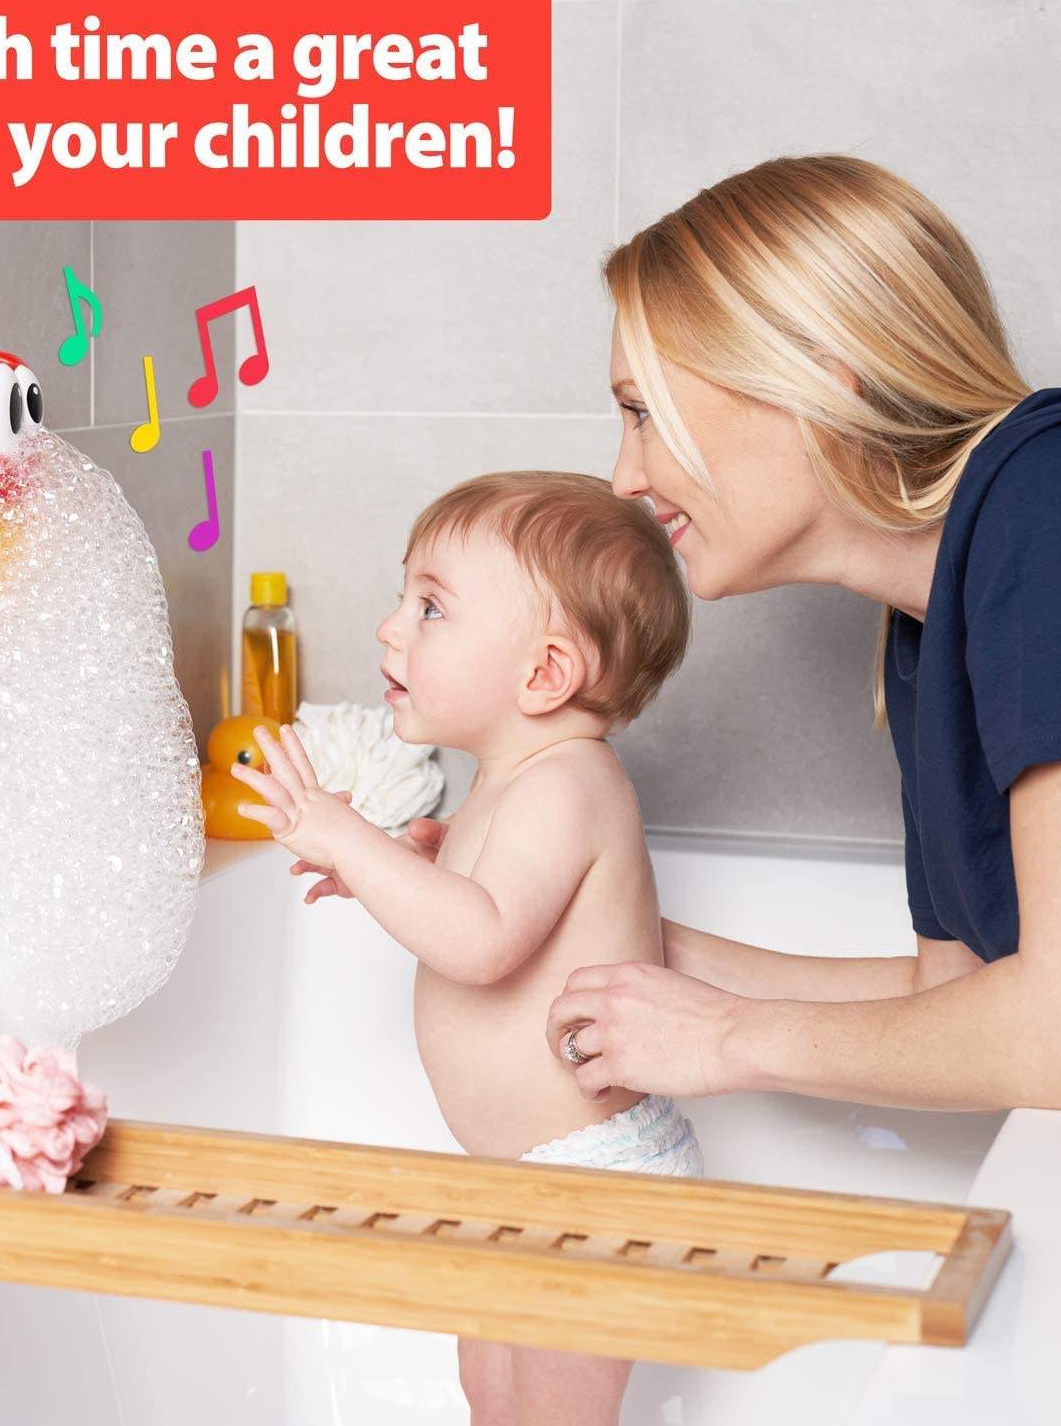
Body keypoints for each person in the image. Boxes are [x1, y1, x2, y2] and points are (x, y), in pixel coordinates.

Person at [426, 152, 1061, 1119]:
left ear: (813, 380)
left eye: (641, 412)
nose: (623, 475)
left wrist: (727, 1040)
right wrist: (572, 920)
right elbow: (952, 1001)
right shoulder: (930, 621)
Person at [233, 469, 699, 1426]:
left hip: (594, 1182)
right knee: (490, 1390)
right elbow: (486, 914)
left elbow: (484, 944)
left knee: (556, 1413)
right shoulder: (513, 778)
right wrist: (392, 874)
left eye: (431, 606)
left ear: (543, 674)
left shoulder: (568, 784)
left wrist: (347, 837)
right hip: (531, 1171)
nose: (389, 628)